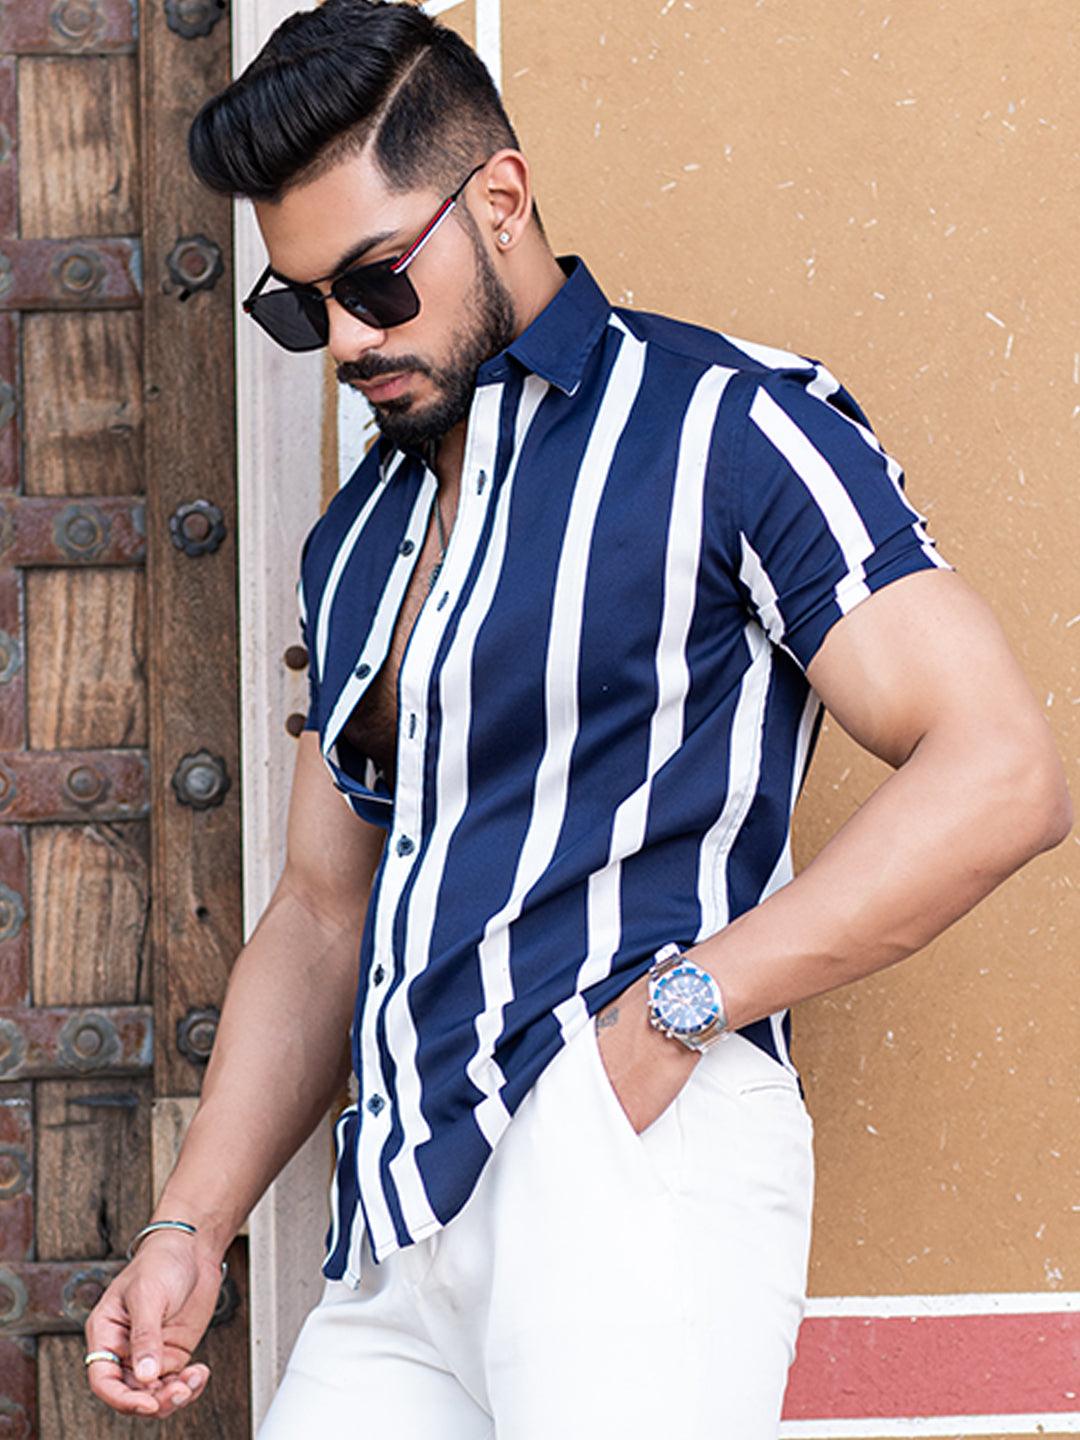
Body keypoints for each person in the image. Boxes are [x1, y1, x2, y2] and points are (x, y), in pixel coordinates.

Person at [83, 2, 1072, 1434]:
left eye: (375, 282)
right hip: (401, 1223)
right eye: (301, 308)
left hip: (623, 1151)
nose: (345, 341)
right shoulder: (354, 543)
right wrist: (192, 1223)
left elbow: (999, 770)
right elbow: (320, 912)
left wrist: (672, 1019)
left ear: (500, 198)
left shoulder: (727, 427)